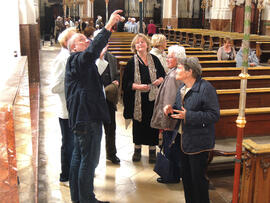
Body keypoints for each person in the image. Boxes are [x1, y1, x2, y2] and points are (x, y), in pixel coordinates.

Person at [65, 10, 122, 203]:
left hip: (83, 116)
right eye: (82, 40)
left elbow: (91, 71)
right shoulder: (77, 59)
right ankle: (87, 199)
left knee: (79, 159)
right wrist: (108, 27)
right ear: (73, 48)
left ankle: (79, 198)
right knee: (88, 162)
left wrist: (99, 56)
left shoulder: (79, 63)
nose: (87, 41)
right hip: (87, 118)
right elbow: (89, 53)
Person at [163, 57, 220, 203]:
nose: (177, 70)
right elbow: (179, 110)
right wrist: (171, 109)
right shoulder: (182, 88)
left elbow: (213, 115)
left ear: (190, 71)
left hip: (199, 142)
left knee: (198, 181)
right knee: (187, 179)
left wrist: (189, 115)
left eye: (180, 68)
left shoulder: (206, 88)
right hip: (183, 140)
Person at [122, 33, 166, 163]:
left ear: (147, 44)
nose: (140, 44)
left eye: (142, 42)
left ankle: (153, 150)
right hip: (138, 99)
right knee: (139, 125)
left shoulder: (154, 59)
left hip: (153, 99)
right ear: (134, 47)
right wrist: (138, 87)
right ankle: (137, 149)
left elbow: (163, 75)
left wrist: (160, 80)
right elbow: (126, 84)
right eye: (137, 43)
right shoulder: (132, 62)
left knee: (153, 124)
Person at [151, 45, 186, 184]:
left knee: (170, 148)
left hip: (170, 120)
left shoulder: (173, 76)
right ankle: (174, 174)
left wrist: (166, 124)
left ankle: (171, 176)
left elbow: (170, 101)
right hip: (174, 121)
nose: (166, 59)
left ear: (177, 59)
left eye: (169, 57)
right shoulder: (176, 71)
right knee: (174, 148)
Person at [50, 27, 77, 187]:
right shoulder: (62, 59)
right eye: (75, 39)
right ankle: (65, 176)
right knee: (68, 144)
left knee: (76, 144)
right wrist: (72, 82)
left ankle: (75, 172)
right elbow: (54, 87)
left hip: (76, 108)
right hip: (67, 110)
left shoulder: (72, 57)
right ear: (67, 42)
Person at [96, 45, 120, 164]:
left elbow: (116, 75)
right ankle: (93, 159)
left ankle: (111, 153)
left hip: (108, 98)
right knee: (94, 130)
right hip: (94, 100)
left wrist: (116, 82)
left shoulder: (111, 58)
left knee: (111, 128)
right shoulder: (90, 57)